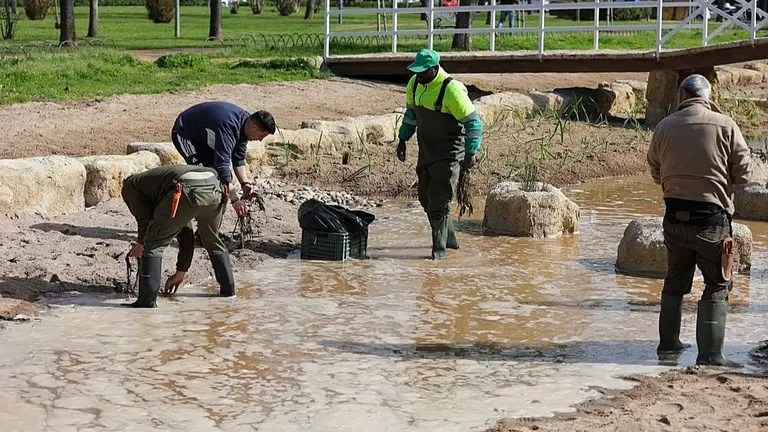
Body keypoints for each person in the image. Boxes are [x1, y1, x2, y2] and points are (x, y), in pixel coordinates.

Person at [647, 74, 752, 367]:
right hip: (712, 219)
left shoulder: (664, 126)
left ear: (682, 96)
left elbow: (655, 168)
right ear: (709, 97)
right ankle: (711, 355)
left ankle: (668, 347)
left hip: (674, 217)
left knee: (674, 281)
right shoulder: (727, 125)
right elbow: (745, 174)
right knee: (718, 284)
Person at [396, 48, 483, 260]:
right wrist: (402, 139)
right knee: (425, 198)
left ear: (435, 69)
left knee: (439, 202)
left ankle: (438, 255)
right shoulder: (414, 84)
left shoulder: (451, 90)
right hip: (426, 150)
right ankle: (450, 241)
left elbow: (474, 124)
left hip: (450, 152)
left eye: (423, 72)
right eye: (416, 71)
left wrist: (471, 153)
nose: (419, 76)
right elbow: (411, 115)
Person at [121, 165, 237, 308]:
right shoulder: (156, 183)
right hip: (214, 186)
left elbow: (144, 221)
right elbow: (185, 232)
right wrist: (180, 272)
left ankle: (146, 302)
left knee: (153, 244)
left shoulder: (130, 187)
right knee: (212, 240)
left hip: (186, 188)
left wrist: (140, 245)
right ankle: (229, 293)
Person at [172, 101, 276, 216]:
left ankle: (209, 229)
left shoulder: (245, 125)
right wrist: (235, 199)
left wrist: (245, 183)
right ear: (254, 127)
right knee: (204, 181)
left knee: (220, 182)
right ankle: (181, 216)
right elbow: (222, 164)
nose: (260, 140)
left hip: (204, 140)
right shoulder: (229, 126)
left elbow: (238, 158)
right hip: (185, 133)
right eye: (261, 136)